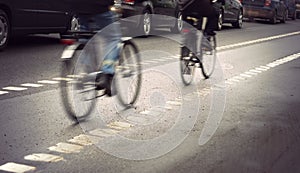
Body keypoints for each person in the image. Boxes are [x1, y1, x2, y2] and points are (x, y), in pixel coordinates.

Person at [71, 0, 122, 96]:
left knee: (86, 39)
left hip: (79, 7)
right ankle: (107, 73)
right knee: (113, 38)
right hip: (99, 6)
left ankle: (86, 74)